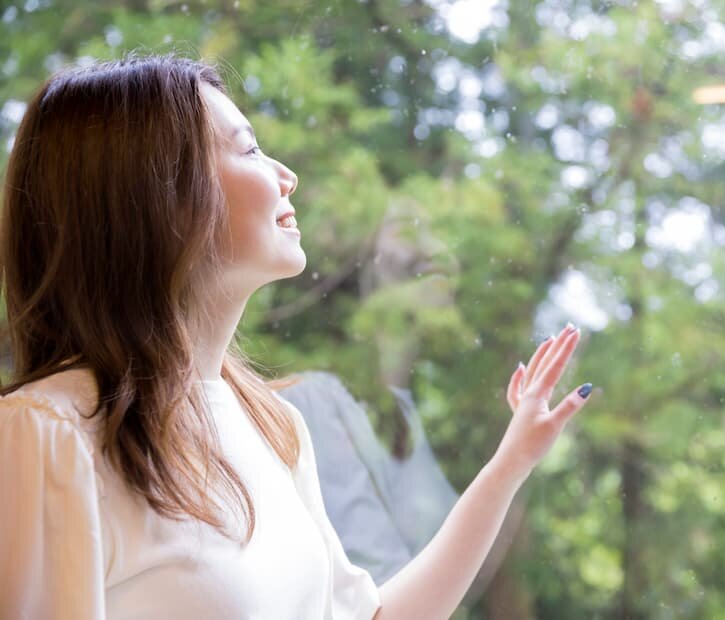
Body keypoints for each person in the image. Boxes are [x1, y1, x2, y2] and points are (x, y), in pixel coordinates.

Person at [0, 52, 594, 620]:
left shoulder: (272, 426)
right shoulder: (46, 436)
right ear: (157, 196)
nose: (288, 176)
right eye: (251, 149)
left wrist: (510, 464)